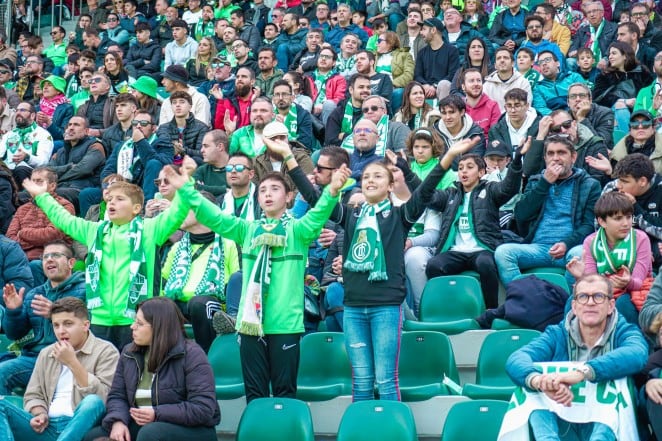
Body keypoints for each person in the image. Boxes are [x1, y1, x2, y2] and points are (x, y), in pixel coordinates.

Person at [165, 153, 350, 404]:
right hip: (250, 325)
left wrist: (333, 190)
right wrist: (186, 190)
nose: (268, 194)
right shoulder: (248, 229)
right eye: (263, 190)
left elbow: (318, 214)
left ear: (288, 197)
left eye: (275, 189)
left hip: (285, 325)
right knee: (255, 395)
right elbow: (214, 217)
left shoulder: (299, 230)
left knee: (285, 394)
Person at [339, 139, 478, 401]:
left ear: (391, 186)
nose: (370, 180)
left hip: (386, 307)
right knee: (361, 383)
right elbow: (315, 199)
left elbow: (425, 191)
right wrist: (289, 157)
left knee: (385, 379)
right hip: (353, 308)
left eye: (378, 175)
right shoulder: (351, 216)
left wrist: (448, 156)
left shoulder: (399, 215)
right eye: (366, 176)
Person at [22, 173, 191, 350]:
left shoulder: (151, 229)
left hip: (137, 320)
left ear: (136, 208)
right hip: (98, 319)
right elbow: (64, 220)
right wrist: (42, 196)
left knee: (134, 373)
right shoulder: (94, 231)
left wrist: (186, 183)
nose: (112, 202)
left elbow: (178, 211)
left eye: (119, 199)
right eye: (109, 199)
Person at [503, 274, 648, 441]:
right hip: (565, 417)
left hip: (607, 427)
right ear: (575, 306)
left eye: (598, 296)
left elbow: (637, 354)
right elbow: (517, 359)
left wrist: (583, 372)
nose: (590, 302)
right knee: (529, 385)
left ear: (610, 306)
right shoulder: (556, 334)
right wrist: (539, 381)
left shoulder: (625, 332)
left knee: (615, 384)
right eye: (583, 297)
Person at [83, 297, 220, 441]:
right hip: (145, 425)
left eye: (139, 323)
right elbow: (118, 396)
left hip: (191, 429)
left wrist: (157, 413)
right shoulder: (129, 353)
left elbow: (203, 408)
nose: (132, 327)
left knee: (151, 433)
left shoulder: (192, 355)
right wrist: (118, 421)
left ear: (159, 327)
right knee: (94, 436)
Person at [420, 139, 528, 310]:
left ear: (481, 172)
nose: (464, 171)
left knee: (486, 264)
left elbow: (509, 188)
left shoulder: (491, 190)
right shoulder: (451, 193)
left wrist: (516, 160)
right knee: (434, 265)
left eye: (469, 167)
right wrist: (407, 173)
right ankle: (449, 310)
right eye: (461, 168)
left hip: (482, 249)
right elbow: (425, 196)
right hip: (455, 251)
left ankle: (491, 310)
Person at [0, 297, 119, 441]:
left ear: (86, 325)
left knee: (92, 401)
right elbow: (33, 394)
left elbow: (103, 399)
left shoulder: (106, 351)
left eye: (68, 324)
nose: (61, 331)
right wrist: (40, 413)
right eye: (56, 325)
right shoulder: (47, 353)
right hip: (47, 427)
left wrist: (72, 362)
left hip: (80, 425)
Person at [494, 135, 602, 287]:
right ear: (544, 158)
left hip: (571, 247)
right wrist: (544, 184)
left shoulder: (590, 185)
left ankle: (573, 305)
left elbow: (589, 225)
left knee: (579, 255)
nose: (555, 158)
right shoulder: (536, 181)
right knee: (503, 253)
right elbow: (521, 215)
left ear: (573, 157)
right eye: (551, 154)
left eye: (561, 153)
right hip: (537, 248)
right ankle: (522, 298)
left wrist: (566, 243)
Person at [0, 241, 86, 395]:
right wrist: (13, 311)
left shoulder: (85, 291)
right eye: (45, 257)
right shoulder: (34, 294)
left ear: (71, 262)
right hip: (34, 359)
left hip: (68, 360)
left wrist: (55, 314)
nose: (50, 259)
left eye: (56, 255)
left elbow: (88, 331)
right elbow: (14, 334)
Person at [161, 191, 240, 351]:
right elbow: (164, 282)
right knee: (160, 305)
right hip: (179, 306)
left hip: (213, 305)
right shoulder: (177, 247)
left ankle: (207, 358)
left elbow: (236, 282)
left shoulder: (229, 243)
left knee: (199, 303)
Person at [566, 191, 653, 324]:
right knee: (575, 298)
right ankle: (571, 339)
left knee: (624, 304)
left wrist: (627, 281)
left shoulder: (641, 238)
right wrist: (582, 277)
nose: (626, 223)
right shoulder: (591, 241)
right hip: (602, 289)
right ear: (602, 221)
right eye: (618, 218)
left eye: (629, 217)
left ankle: (630, 342)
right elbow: (592, 283)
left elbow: (638, 282)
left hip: (634, 289)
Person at [526, 110, 610, 183]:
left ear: (574, 124)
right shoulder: (548, 147)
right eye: (557, 129)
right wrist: (540, 136)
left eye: (566, 125)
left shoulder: (595, 144)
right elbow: (529, 171)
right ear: (550, 133)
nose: (563, 130)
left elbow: (596, 182)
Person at [593, 41, 653, 143]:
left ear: (625, 55)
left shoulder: (642, 72)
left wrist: (637, 102)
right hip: (615, 110)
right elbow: (598, 97)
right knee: (620, 107)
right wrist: (623, 101)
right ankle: (629, 142)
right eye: (609, 54)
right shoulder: (604, 75)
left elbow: (651, 91)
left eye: (614, 53)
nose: (610, 57)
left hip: (641, 107)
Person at [0, 101, 54, 187]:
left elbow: (43, 161)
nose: (18, 113)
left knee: (20, 169)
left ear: (32, 115)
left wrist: (27, 157)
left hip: (30, 172)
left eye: (22, 110)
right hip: (8, 170)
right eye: (17, 110)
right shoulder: (9, 134)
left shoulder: (43, 135)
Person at [414, 18, 459, 102]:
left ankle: (443, 113)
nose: (421, 33)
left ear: (433, 30)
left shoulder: (452, 51)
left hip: (443, 89)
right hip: (425, 89)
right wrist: (426, 85)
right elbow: (417, 75)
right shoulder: (422, 53)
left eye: (424, 29)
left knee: (444, 84)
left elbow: (453, 74)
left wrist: (435, 86)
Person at [156, 91, 208, 165]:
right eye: (174, 102)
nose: (177, 105)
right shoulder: (163, 128)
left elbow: (202, 153)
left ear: (190, 107)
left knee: (197, 160)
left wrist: (183, 150)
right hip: (169, 163)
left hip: (191, 165)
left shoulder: (201, 127)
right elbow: (162, 149)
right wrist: (173, 148)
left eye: (182, 102)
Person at [433, 95, 485, 167]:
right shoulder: (434, 133)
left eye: (452, 112)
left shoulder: (476, 134)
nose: (447, 117)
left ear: (462, 112)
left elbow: (474, 165)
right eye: (444, 113)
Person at [488, 88, 541, 158]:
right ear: (505, 107)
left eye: (517, 105)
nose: (513, 110)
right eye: (509, 106)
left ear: (527, 106)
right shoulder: (495, 130)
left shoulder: (540, 127)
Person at [533, 50, 587, 116]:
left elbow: (584, 98)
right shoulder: (538, 87)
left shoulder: (574, 77)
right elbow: (541, 108)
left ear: (558, 63)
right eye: (540, 62)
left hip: (578, 114)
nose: (544, 64)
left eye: (547, 60)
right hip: (554, 121)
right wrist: (560, 118)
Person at [567, 82, 615, 151]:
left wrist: (581, 118)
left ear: (590, 100)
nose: (577, 99)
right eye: (573, 96)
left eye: (582, 95)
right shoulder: (564, 117)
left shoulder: (605, 113)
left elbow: (601, 144)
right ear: (568, 102)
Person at [483, 47, 532, 113]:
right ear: (495, 65)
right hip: (494, 121)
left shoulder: (523, 82)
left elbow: (526, 108)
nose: (502, 60)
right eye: (499, 58)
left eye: (505, 58)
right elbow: (485, 110)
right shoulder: (487, 86)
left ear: (513, 63)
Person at [307, 47, 347, 125]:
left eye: (327, 57)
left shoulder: (339, 79)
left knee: (329, 104)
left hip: (326, 111)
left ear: (334, 63)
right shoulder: (307, 78)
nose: (323, 59)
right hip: (309, 111)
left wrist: (323, 105)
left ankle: (327, 134)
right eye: (321, 56)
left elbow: (339, 98)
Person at [272, 80, 314, 149]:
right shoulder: (268, 114)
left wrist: (283, 129)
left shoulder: (303, 115)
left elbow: (305, 144)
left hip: (296, 154)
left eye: (284, 94)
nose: (280, 98)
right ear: (273, 99)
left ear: (292, 98)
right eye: (277, 95)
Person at [461, 69, 501, 139]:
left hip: (486, 147)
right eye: (471, 81)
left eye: (479, 80)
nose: (476, 84)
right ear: (463, 87)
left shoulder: (493, 106)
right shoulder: (459, 107)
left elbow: (495, 135)